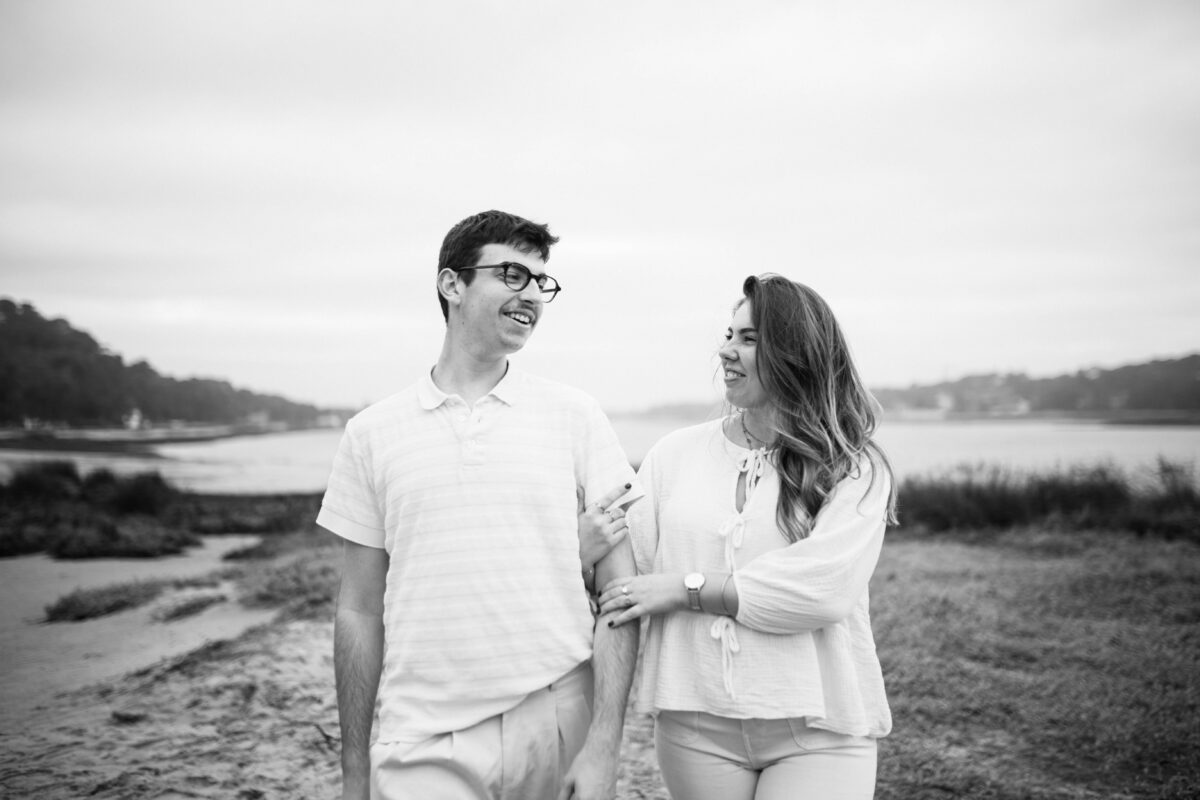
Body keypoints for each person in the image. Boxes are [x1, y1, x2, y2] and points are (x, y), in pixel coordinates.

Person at [318, 210, 641, 800]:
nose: (533, 296)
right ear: (452, 284)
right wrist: (354, 771)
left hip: (557, 711)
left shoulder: (575, 417)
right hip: (419, 737)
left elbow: (622, 594)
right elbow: (359, 611)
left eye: (541, 282)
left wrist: (603, 746)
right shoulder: (371, 432)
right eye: (513, 274)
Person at [599, 273, 897, 800]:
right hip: (694, 724)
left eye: (748, 338)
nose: (726, 351)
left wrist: (685, 588)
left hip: (820, 727)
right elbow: (623, 572)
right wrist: (586, 547)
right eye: (728, 335)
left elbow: (822, 591)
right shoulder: (673, 455)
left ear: (795, 354)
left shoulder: (854, 466)